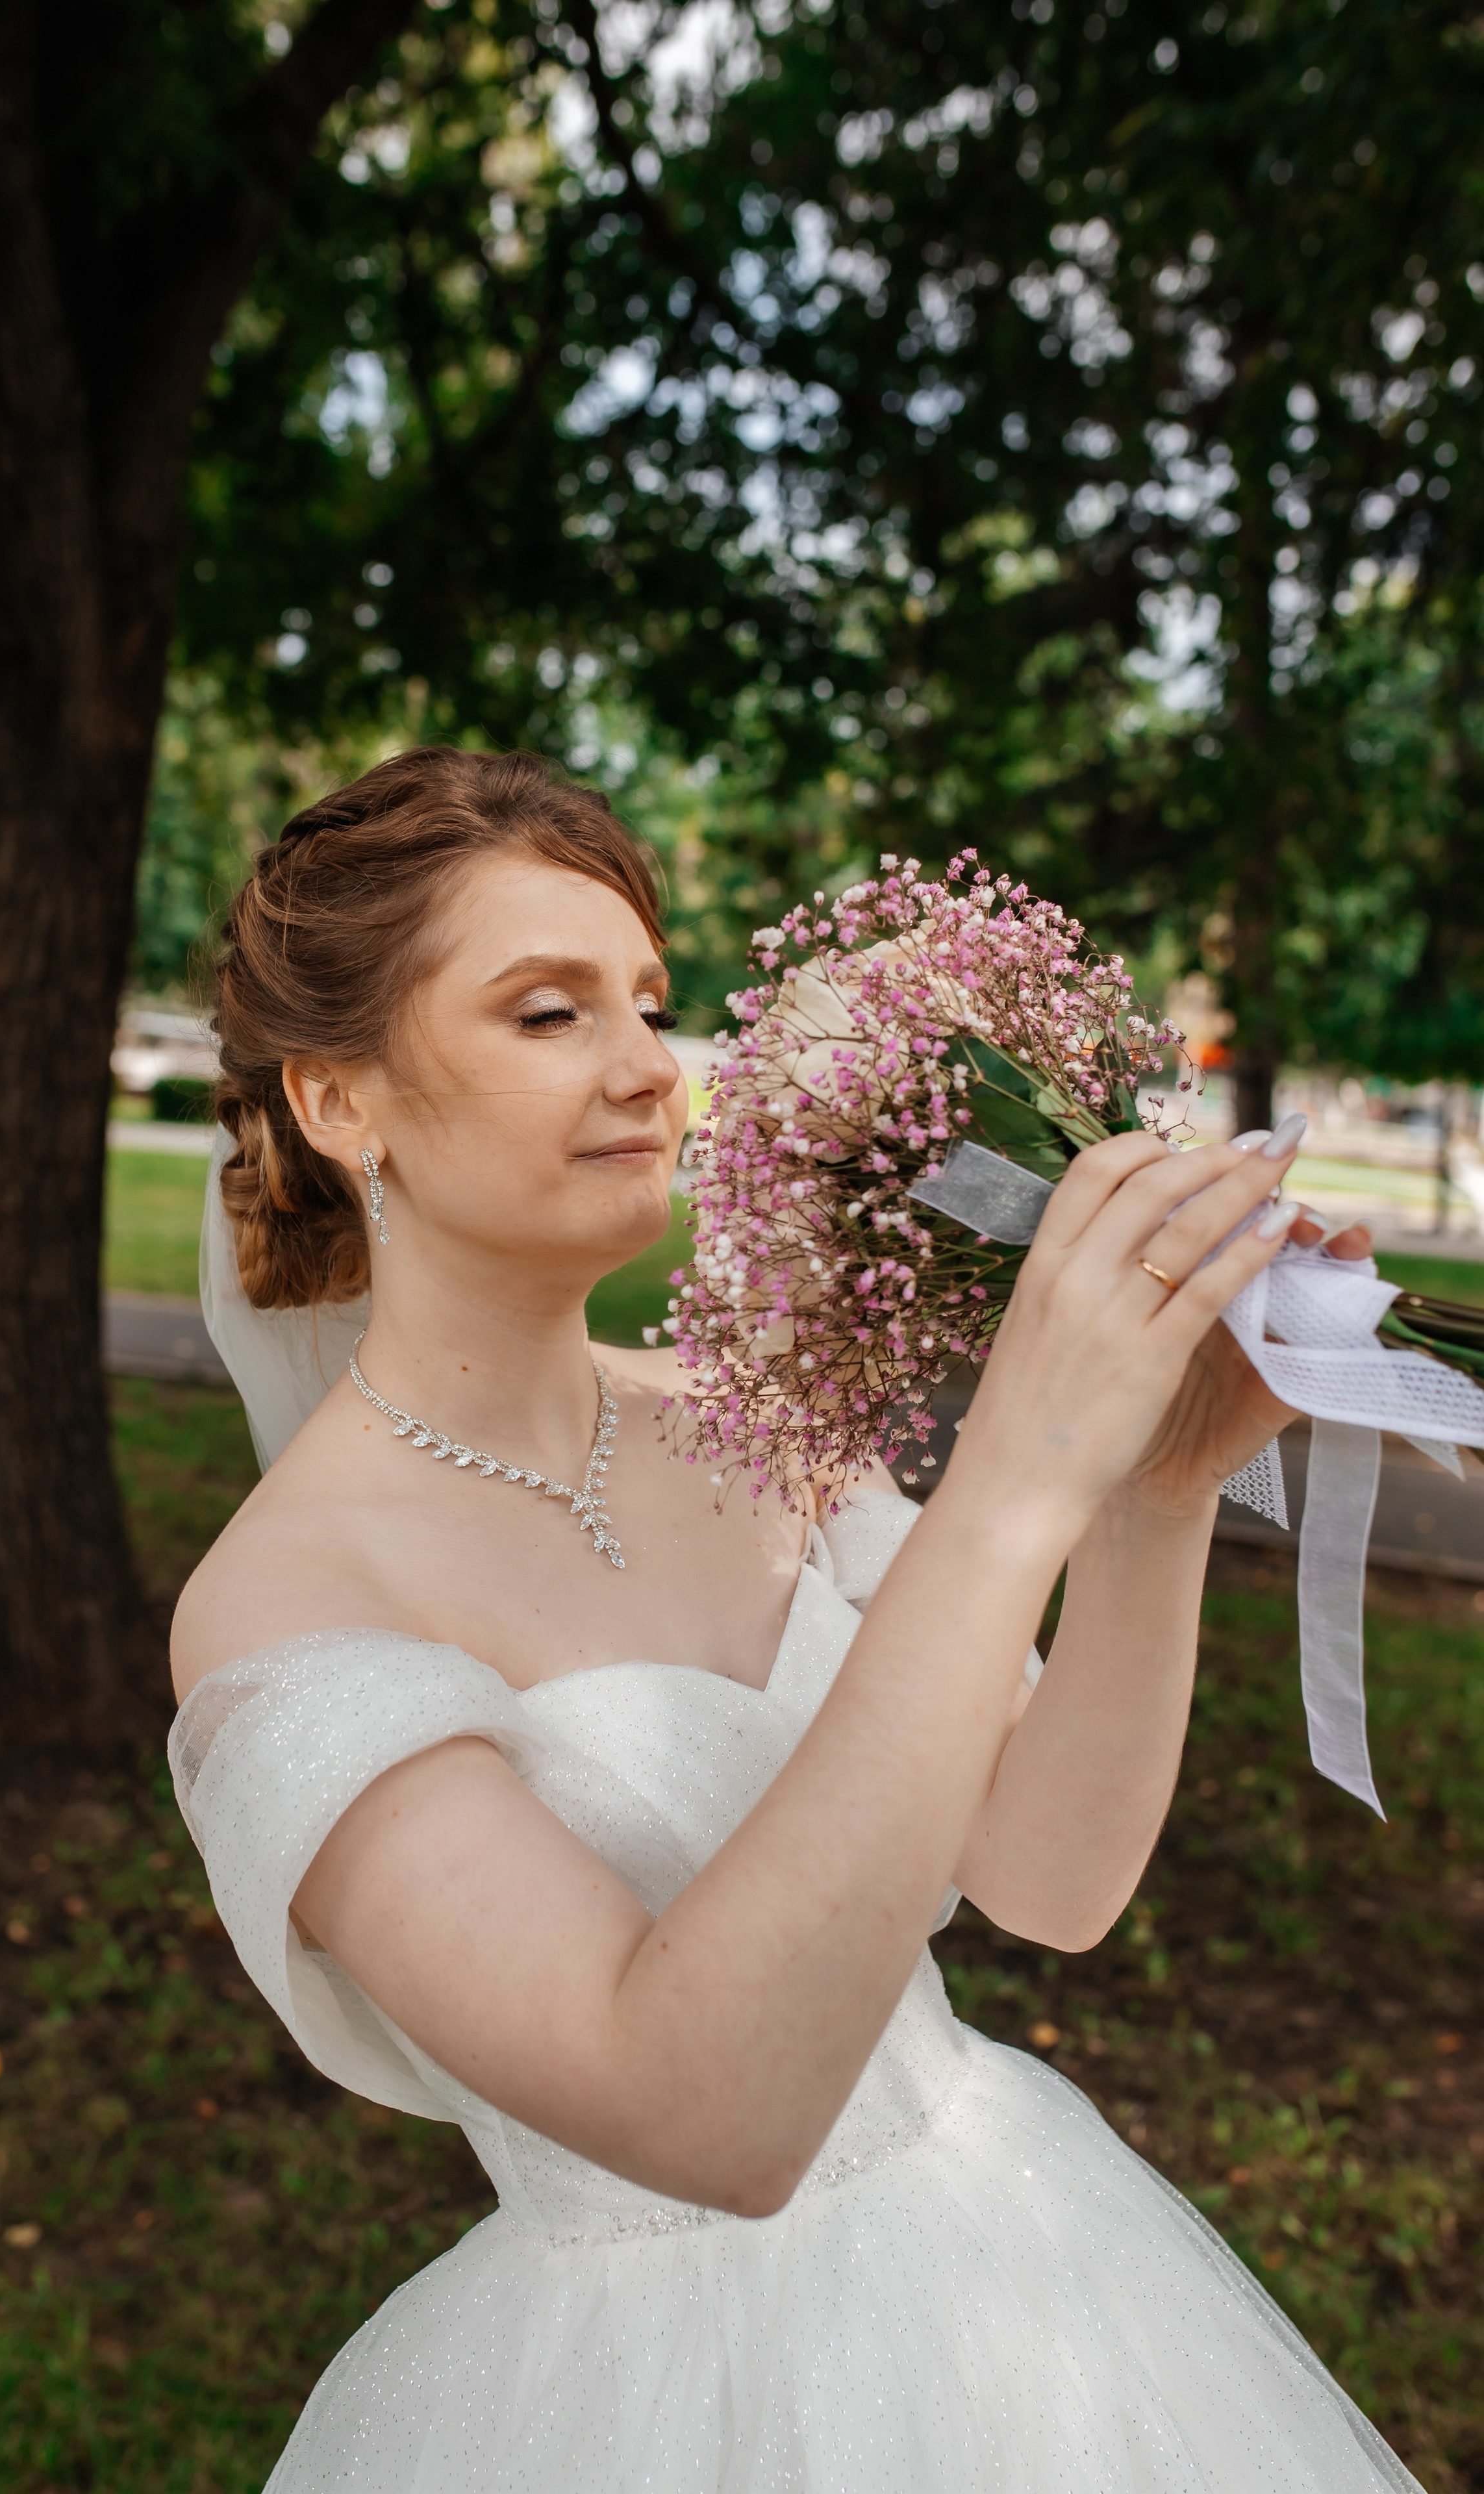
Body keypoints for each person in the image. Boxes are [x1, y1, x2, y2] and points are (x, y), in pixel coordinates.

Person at [170, 745, 1415, 2492]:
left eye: (653, 1006)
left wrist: (1147, 1500)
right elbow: (701, 2117)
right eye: (547, 1016)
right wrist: (1013, 1476)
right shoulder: (284, 1613)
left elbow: (1050, 1876)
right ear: (340, 1104)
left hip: (1030, 2274)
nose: (648, 1074)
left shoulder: (753, 1420)